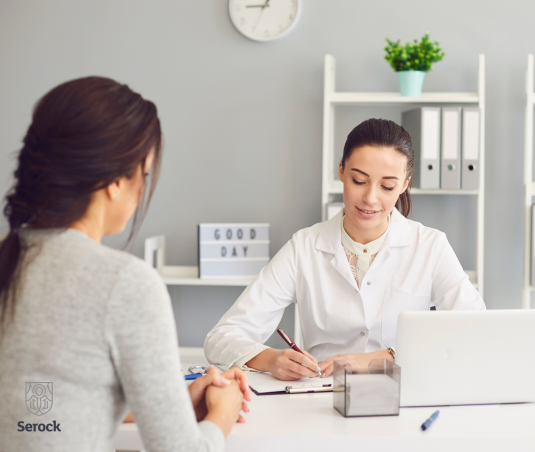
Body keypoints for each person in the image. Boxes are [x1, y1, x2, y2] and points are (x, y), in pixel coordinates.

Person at [0, 77, 250, 452]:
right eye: (143, 174)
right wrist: (223, 415)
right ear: (116, 181)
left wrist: (172, 402)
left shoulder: (10, 260)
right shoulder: (123, 283)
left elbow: (40, 416)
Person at [204, 118, 486, 381]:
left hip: (403, 397)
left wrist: (380, 358)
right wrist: (270, 359)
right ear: (341, 170)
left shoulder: (430, 247)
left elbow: (476, 329)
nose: (370, 198)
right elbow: (222, 337)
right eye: (359, 181)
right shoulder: (304, 248)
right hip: (322, 400)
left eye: (387, 186)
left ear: (404, 185)